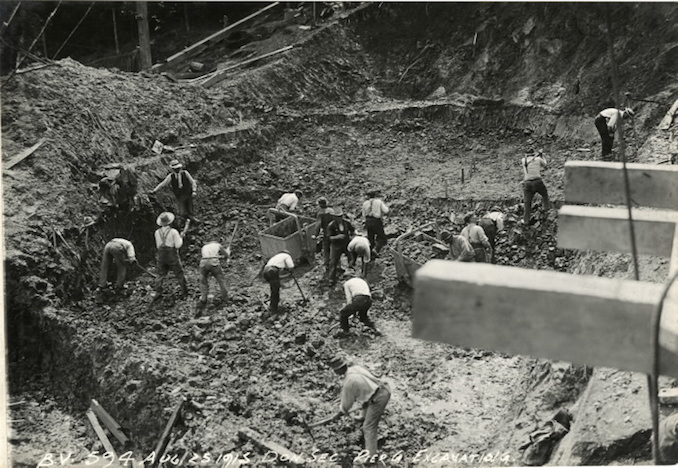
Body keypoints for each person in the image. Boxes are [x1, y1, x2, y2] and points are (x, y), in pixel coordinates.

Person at [309, 355, 391, 463]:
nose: (334, 372)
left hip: (379, 397)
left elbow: (346, 404)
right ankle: (362, 417)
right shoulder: (355, 368)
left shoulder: (349, 382)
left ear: (338, 370)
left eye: (335, 370)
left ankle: (370, 456)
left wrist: (338, 414)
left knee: (369, 427)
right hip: (381, 388)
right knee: (365, 402)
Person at [153, 212, 189, 302]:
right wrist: (181, 237)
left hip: (161, 254)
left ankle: (158, 292)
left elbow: (158, 246)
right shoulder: (173, 232)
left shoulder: (157, 232)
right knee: (179, 273)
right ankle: (184, 292)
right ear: (170, 222)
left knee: (160, 274)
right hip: (171, 254)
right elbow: (178, 245)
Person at [151, 160, 198, 225]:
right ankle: (187, 220)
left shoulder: (185, 173)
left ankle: (191, 219)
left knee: (190, 208)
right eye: (175, 169)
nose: (177, 170)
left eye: (178, 168)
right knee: (182, 212)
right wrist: (155, 190)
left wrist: (194, 191)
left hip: (188, 193)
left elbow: (193, 182)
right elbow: (163, 184)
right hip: (180, 195)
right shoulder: (171, 176)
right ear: (172, 169)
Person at [197, 240, 231, 312]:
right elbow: (226, 255)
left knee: (203, 281)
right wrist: (228, 252)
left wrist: (221, 256)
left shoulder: (204, 247)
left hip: (203, 262)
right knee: (221, 280)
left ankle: (203, 298)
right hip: (213, 262)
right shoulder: (217, 245)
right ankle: (225, 297)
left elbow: (209, 257)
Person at [327, 207, 355, 286]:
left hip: (346, 244)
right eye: (337, 217)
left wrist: (352, 237)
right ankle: (331, 279)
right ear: (334, 217)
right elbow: (329, 238)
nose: (339, 218)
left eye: (341, 216)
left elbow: (352, 230)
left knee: (351, 258)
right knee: (333, 262)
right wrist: (337, 237)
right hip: (336, 246)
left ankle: (352, 275)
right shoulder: (331, 225)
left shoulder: (346, 223)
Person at [521, 150, 550, 225]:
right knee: (544, 194)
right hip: (537, 181)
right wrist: (542, 156)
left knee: (527, 202)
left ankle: (526, 221)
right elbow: (545, 165)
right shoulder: (538, 159)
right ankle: (546, 209)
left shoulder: (524, 160)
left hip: (527, 183)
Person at [362, 189, 389, 256]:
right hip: (376, 221)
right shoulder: (378, 202)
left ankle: (369, 254)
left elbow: (363, 214)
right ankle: (376, 250)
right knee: (382, 238)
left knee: (370, 239)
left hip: (368, 221)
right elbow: (386, 210)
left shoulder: (365, 203)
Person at [314, 197, 335, 277]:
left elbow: (318, 225)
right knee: (335, 247)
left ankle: (327, 264)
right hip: (334, 231)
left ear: (319, 205)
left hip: (327, 233)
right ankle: (337, 263)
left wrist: (315, 234)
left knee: (326, 249)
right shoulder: (331, 210)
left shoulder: (320, 213)